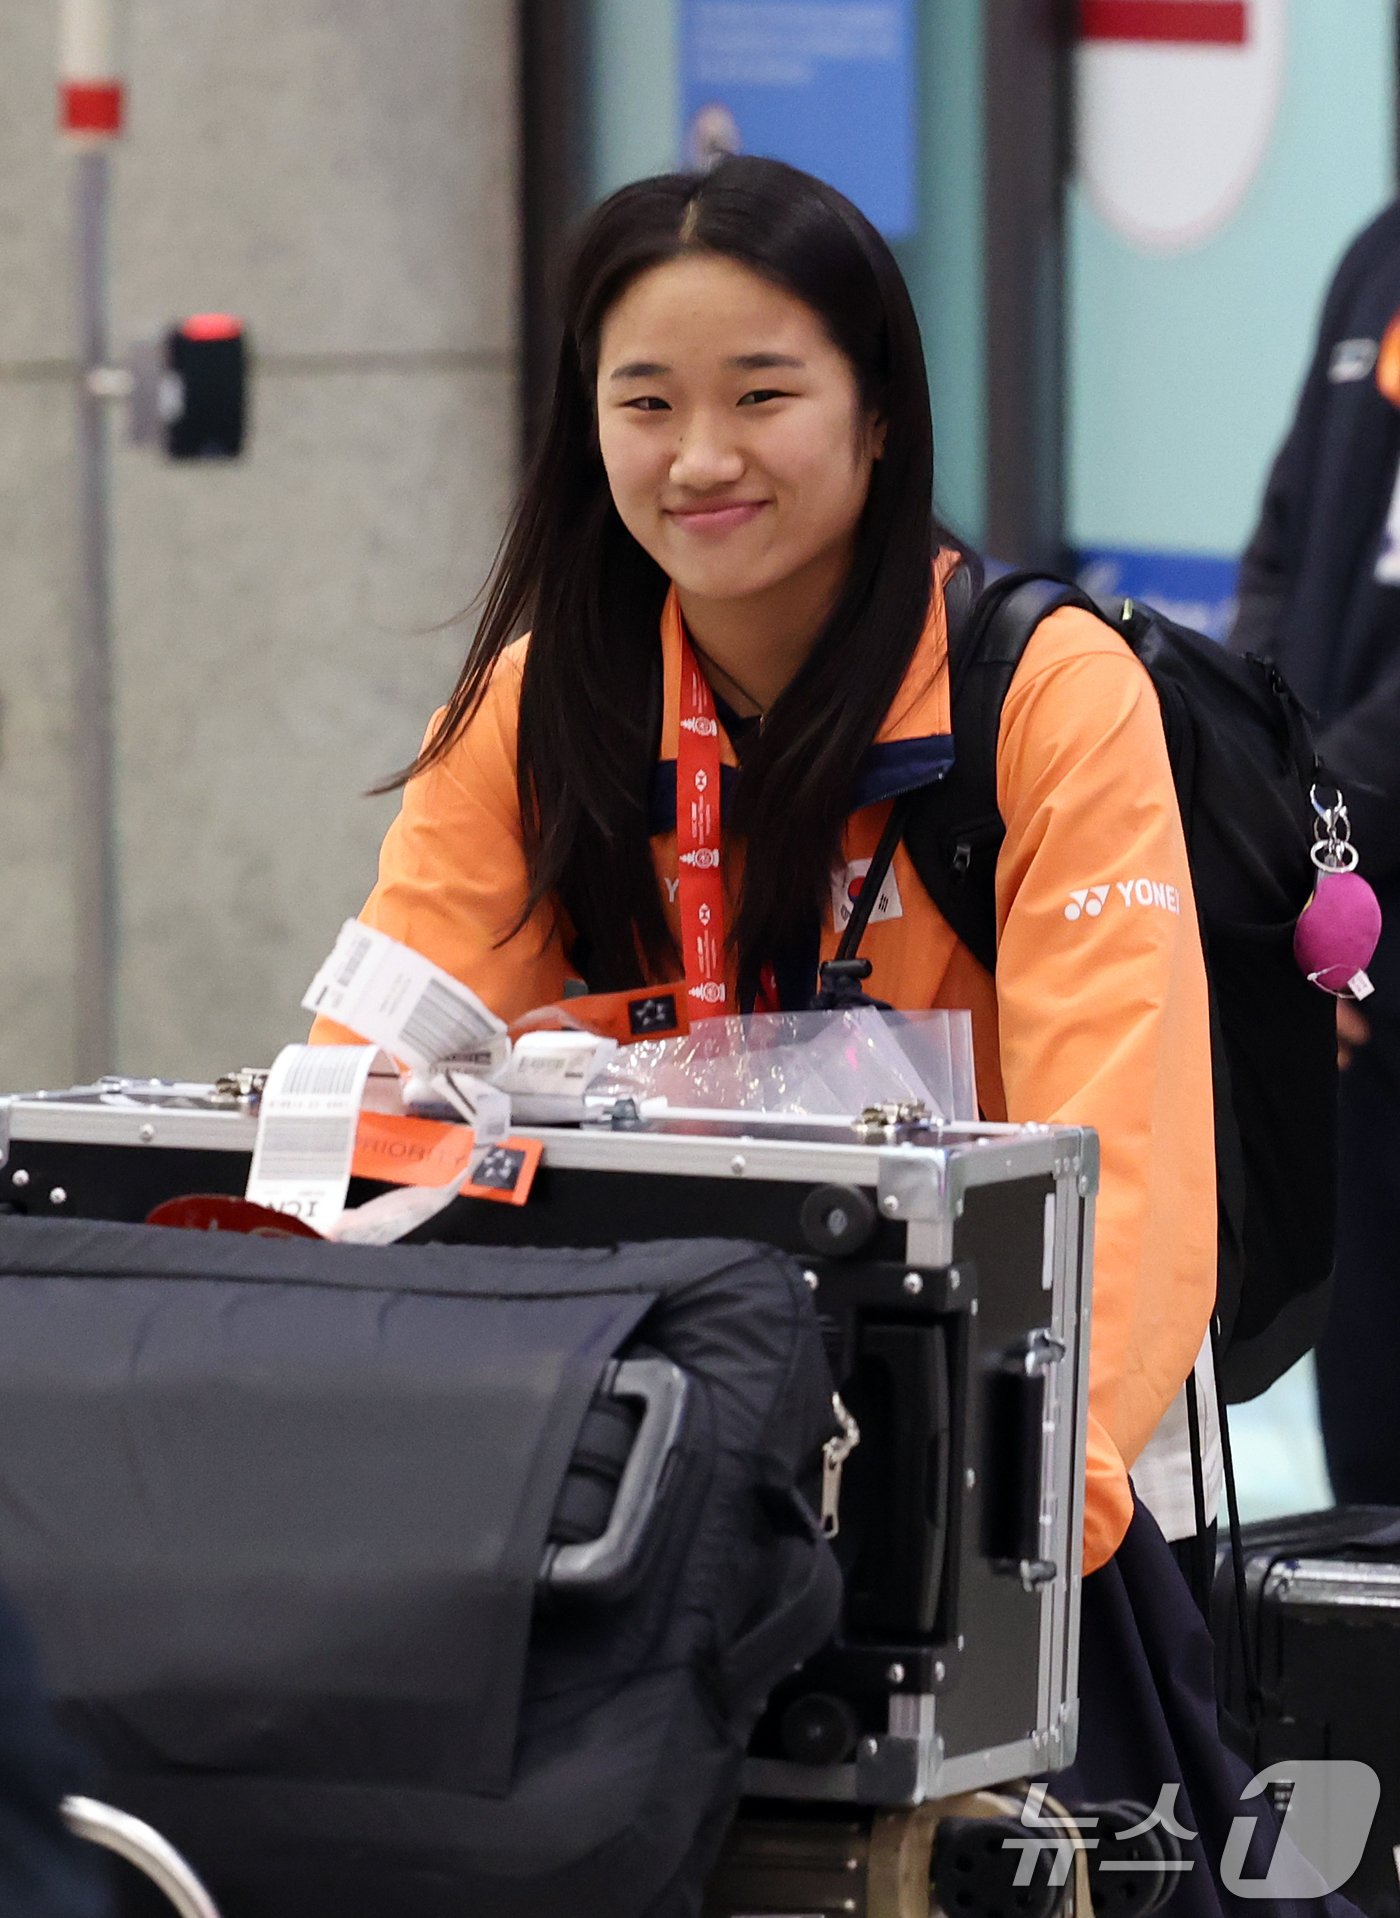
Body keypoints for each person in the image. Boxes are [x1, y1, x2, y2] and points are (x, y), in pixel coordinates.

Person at [312, 156, 1285, 1912]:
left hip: (989, 1488)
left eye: (763, 394)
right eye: (646, 401)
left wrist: (1023, 1534)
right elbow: (361, 1074)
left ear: (879, 409)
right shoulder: (539, 712)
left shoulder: (1042, 696)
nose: (700, 458)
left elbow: (1121, 1159)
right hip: (617, 1476)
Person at [1231, 199, 1400, 1504]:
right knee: (1369, 1406)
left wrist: (1309, 841)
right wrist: (1265, 791)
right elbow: (1287, 547)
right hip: (1348, 934)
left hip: (1345, 873)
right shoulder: (1377, 252)